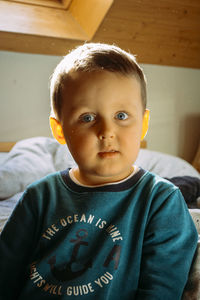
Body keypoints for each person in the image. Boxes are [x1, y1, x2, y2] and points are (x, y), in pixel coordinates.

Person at [0, 43, 198, 300]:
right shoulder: (39, 197)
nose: (107, 131)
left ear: (144, 123)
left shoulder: (161, 200)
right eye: (87, 118)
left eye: (122, 115)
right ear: (59, 130)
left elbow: (161, 287)